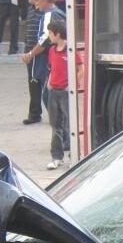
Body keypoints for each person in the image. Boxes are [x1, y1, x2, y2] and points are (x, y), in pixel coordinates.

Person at [44, 18, 83, 169]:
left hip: (66, 92)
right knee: (55, 125)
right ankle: (56, 157)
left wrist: (70, 85)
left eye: (50, 33)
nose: (49, 36)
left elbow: (81, 69)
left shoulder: (71, 50)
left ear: (57, 34)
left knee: (71, 124)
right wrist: (49, 82)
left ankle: (74, 156)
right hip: (54, 91)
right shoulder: (52, 51)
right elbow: (52, 68)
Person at [22, 0, 64, 124]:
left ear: (46, 0)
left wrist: (31, 54)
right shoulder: (59, 13)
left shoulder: (49, 15)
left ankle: (59, 122)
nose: (35, 3)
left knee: (48, 94)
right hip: (53, 58)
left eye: (37, 0)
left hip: (47, 61)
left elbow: (45, 39)